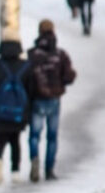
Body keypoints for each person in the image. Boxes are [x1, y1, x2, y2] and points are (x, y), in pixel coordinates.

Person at [27, 20, 76, 181]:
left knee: (34, 135)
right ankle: (49, 169)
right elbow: (69, 76)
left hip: (37, 100)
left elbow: (26, 76)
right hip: (54, 99)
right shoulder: (60, 54)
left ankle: (34, 159)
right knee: (52, 136)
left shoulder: (32, 54)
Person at [0, 39, 36, 185]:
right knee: (15, 141)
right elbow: (30, 87)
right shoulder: (25, 66)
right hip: (18, 110)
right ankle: (15, 171)